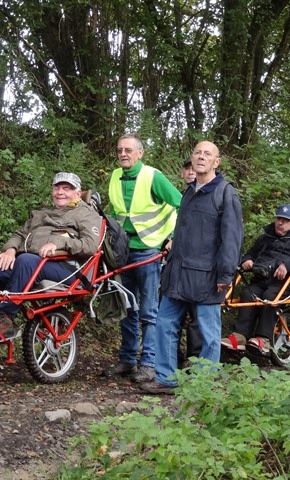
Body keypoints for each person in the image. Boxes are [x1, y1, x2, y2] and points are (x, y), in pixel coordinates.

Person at [140, 141, 243, 395]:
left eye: (207, 154)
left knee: (209, 332)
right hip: (177, 274)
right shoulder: (188, 191)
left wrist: (226, 274)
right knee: (164, 323)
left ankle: (204, 385)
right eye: (197, 152)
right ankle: (166, 378)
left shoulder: (225, 193)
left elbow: (232, 238)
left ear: (216, 162)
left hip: (207, 277)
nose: (201, 157)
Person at [0, 172, 102, 342]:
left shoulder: (86, 214)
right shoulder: (41, 214)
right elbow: (19, 234)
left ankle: (5, 317)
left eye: (67, 188)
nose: (60, 192)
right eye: (57, 188)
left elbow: (90, 245)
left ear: (78, 194)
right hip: (31, 265)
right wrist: (11, 249)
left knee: (27, 260)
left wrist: (59, 243)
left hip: (68, 270)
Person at [104, 133, 182, 383]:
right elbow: (118, 213)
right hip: (122, 250)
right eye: (119, 150)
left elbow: (183, 204)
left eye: (128, 150)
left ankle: (148, 363)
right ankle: (127, 359)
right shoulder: (116, 176)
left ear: (140, 153)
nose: (123, 154)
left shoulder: (152, 176)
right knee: (126, 307)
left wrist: (173, 236)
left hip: (149, 249)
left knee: (149, 310)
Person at [221, 204, 290, 355]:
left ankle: (264, 339)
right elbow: (251, 253)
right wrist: (247, 260)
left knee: (269, 298)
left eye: (285, 220)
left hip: (287, 282)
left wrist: (288, 265)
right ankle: (239, 336)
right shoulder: (267, 236)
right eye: (278, 219)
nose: (280, 223)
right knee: (249, 293)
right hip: (262, 278)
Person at [177, 156, 202, 364]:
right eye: (187, 168)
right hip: (175, 264)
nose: (191, 171)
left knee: (197, 316)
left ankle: (194, 359)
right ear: (182, 174)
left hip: (197, 265)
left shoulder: (209, 195)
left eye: (194, 168)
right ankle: (173, 357)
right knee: (172, 315)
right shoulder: (178, 198)